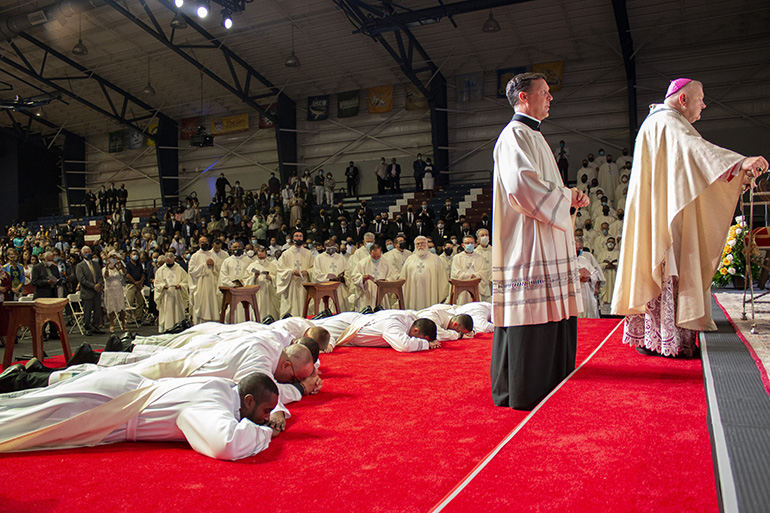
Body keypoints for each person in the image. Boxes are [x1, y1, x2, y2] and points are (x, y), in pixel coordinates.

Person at [612, 78, 768, 357]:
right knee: (668, 267)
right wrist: (739, 163)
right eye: (700, 98)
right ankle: (665, 340)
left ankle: (657, 338)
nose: (704, 104)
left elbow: (690, 167)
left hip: (662, 211)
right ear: (683, 99)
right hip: (667, 218)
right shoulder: (668, 122)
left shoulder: (659, 121)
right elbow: (697, 152)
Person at [490, 72, 588, 411]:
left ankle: (551, 379)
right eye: (544, 92)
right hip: (527, 241)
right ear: (523, 98)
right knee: (531, 312)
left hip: (544, 236)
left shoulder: (535, 136)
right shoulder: (514, 136)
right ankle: (525, 387)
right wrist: (565, 196)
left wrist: (568, 197)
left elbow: (542, 186)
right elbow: (522, 186)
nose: (550, 98)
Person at [0, 369, 280, 461]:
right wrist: (267, 433)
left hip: (121, 389)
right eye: (266, 411)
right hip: (113, 405)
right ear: (248, 400)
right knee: (21, 427)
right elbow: (226, 444)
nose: (267, 417)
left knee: (27, 410)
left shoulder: (223, 386)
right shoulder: (213, 400)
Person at [333, 310, 439, 352]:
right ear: (416, 330)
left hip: (354, 322)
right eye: (422, 338)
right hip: (344, 327)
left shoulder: (410, 319)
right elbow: (404, 345)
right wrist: (426, 344)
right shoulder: (394, 324)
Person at [401, 236, 449, 310]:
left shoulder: (435, 259)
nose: (420, 246)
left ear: (427, 244)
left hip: (430, 291)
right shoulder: (410, 259)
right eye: (418, 244)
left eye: (422, 243)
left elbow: (442, 278)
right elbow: (403, 278)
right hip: (413, 291)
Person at [275, 230, 314, 317]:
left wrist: (307, 271)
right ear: (292, 239)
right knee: (292, 306)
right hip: (291, 284)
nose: (298, 238)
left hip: (304, 283)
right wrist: (291, 271)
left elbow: (314, 268)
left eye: (300, 236)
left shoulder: (308, 253)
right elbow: (280, 269)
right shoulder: (286, 254)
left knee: (304, 304)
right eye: (296, 236)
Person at [350, 243, 395, 310]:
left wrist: (386, 281)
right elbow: (355, 276)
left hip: (382, 292)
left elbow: (393, 276)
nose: (376, 259)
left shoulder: (386, 263)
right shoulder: (363, 263)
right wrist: (362, 278)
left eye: (378, 256)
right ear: (370, 253)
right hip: (367, 293)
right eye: (374, 256)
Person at [187, 236, 221, 324]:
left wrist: (213, 265)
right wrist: (204, 265)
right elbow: (191, 271)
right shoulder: (195, 256)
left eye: (206, 241)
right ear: (198, 244)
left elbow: (219, 270)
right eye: (202, 242)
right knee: (202, 304)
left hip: (212, 284)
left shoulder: (213, 255)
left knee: (213, 303)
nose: (204, 243)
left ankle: (213, 322)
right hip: (201, 285)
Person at [154, 252, 189, 332]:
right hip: (166, 295)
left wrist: (180, 285)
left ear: (174, 258)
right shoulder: (160, 271)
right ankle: (166, 328)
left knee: (177, 312)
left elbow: (186, 281)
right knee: (167, 312)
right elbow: (157, 283)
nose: (168, 258)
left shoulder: (179, 269)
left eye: (170, 257)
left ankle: (178, 327)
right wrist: (162, 286)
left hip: (177, 294)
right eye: (166, 257)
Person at [451, 236, 491, 303]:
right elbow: (456, 272)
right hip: (462, 290)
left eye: (471, 243)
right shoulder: (457, 258)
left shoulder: (480, 258)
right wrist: (470, 276)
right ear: (463, 245)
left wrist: (474, 276)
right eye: (467, 243)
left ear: (475, 245)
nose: (469, 245)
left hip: (476, 288)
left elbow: (484, 272)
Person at [75, 246, 105, 336]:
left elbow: (100, 276)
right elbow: (82, 279)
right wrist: (93, 286)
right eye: (85, 252)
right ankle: (87, 327)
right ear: (82, 254)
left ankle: (95, 326)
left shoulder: (96, 264)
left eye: (89, 252)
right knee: (87, 312)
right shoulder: (80, 266)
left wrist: (99, 284)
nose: (87, 253)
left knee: (97, 310)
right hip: (87, 291)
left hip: (97, 291)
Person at [313, 240, 349, 312]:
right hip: (325, 289)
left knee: (339, 310)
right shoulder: (319, 258)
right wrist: (329, 278)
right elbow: (316, 275)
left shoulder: (341, 258)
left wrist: (342, 278)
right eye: (328, 246)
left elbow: (348, 272)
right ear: (324, 247)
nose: (331, 248)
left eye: (332, 246)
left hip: (339, 289)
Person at [245, 246, 280, 321]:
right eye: (260, 257)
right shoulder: (252, 266)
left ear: (266, 255)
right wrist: (254, 277)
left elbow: (278, 278)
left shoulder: (272, 266)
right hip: (257, 292)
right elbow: (246, 280)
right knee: (258, 308)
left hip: (269, 291)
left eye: (263, 257)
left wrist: (271, 278)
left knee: (269, 308)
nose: (262, 259)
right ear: (257, 255)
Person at [575, 238, 604, 319]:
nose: (578, 250)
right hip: (574, 292)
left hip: (587, 291)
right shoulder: (565, 261)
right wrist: (578, 278)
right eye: (576, 248)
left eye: (580, 248)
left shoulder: (584, 260)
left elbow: (595, 274)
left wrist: (589, 278)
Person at [103, 252, 127, 333]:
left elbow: (124, 272)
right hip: (110, 290)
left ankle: (123, 323)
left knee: (121, 307)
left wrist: (121, 264)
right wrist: (107, 266)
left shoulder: (117, 268)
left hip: (118, 289)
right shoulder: (104, 269)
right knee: (111, 308)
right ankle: (112, 324)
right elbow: (106, 276)